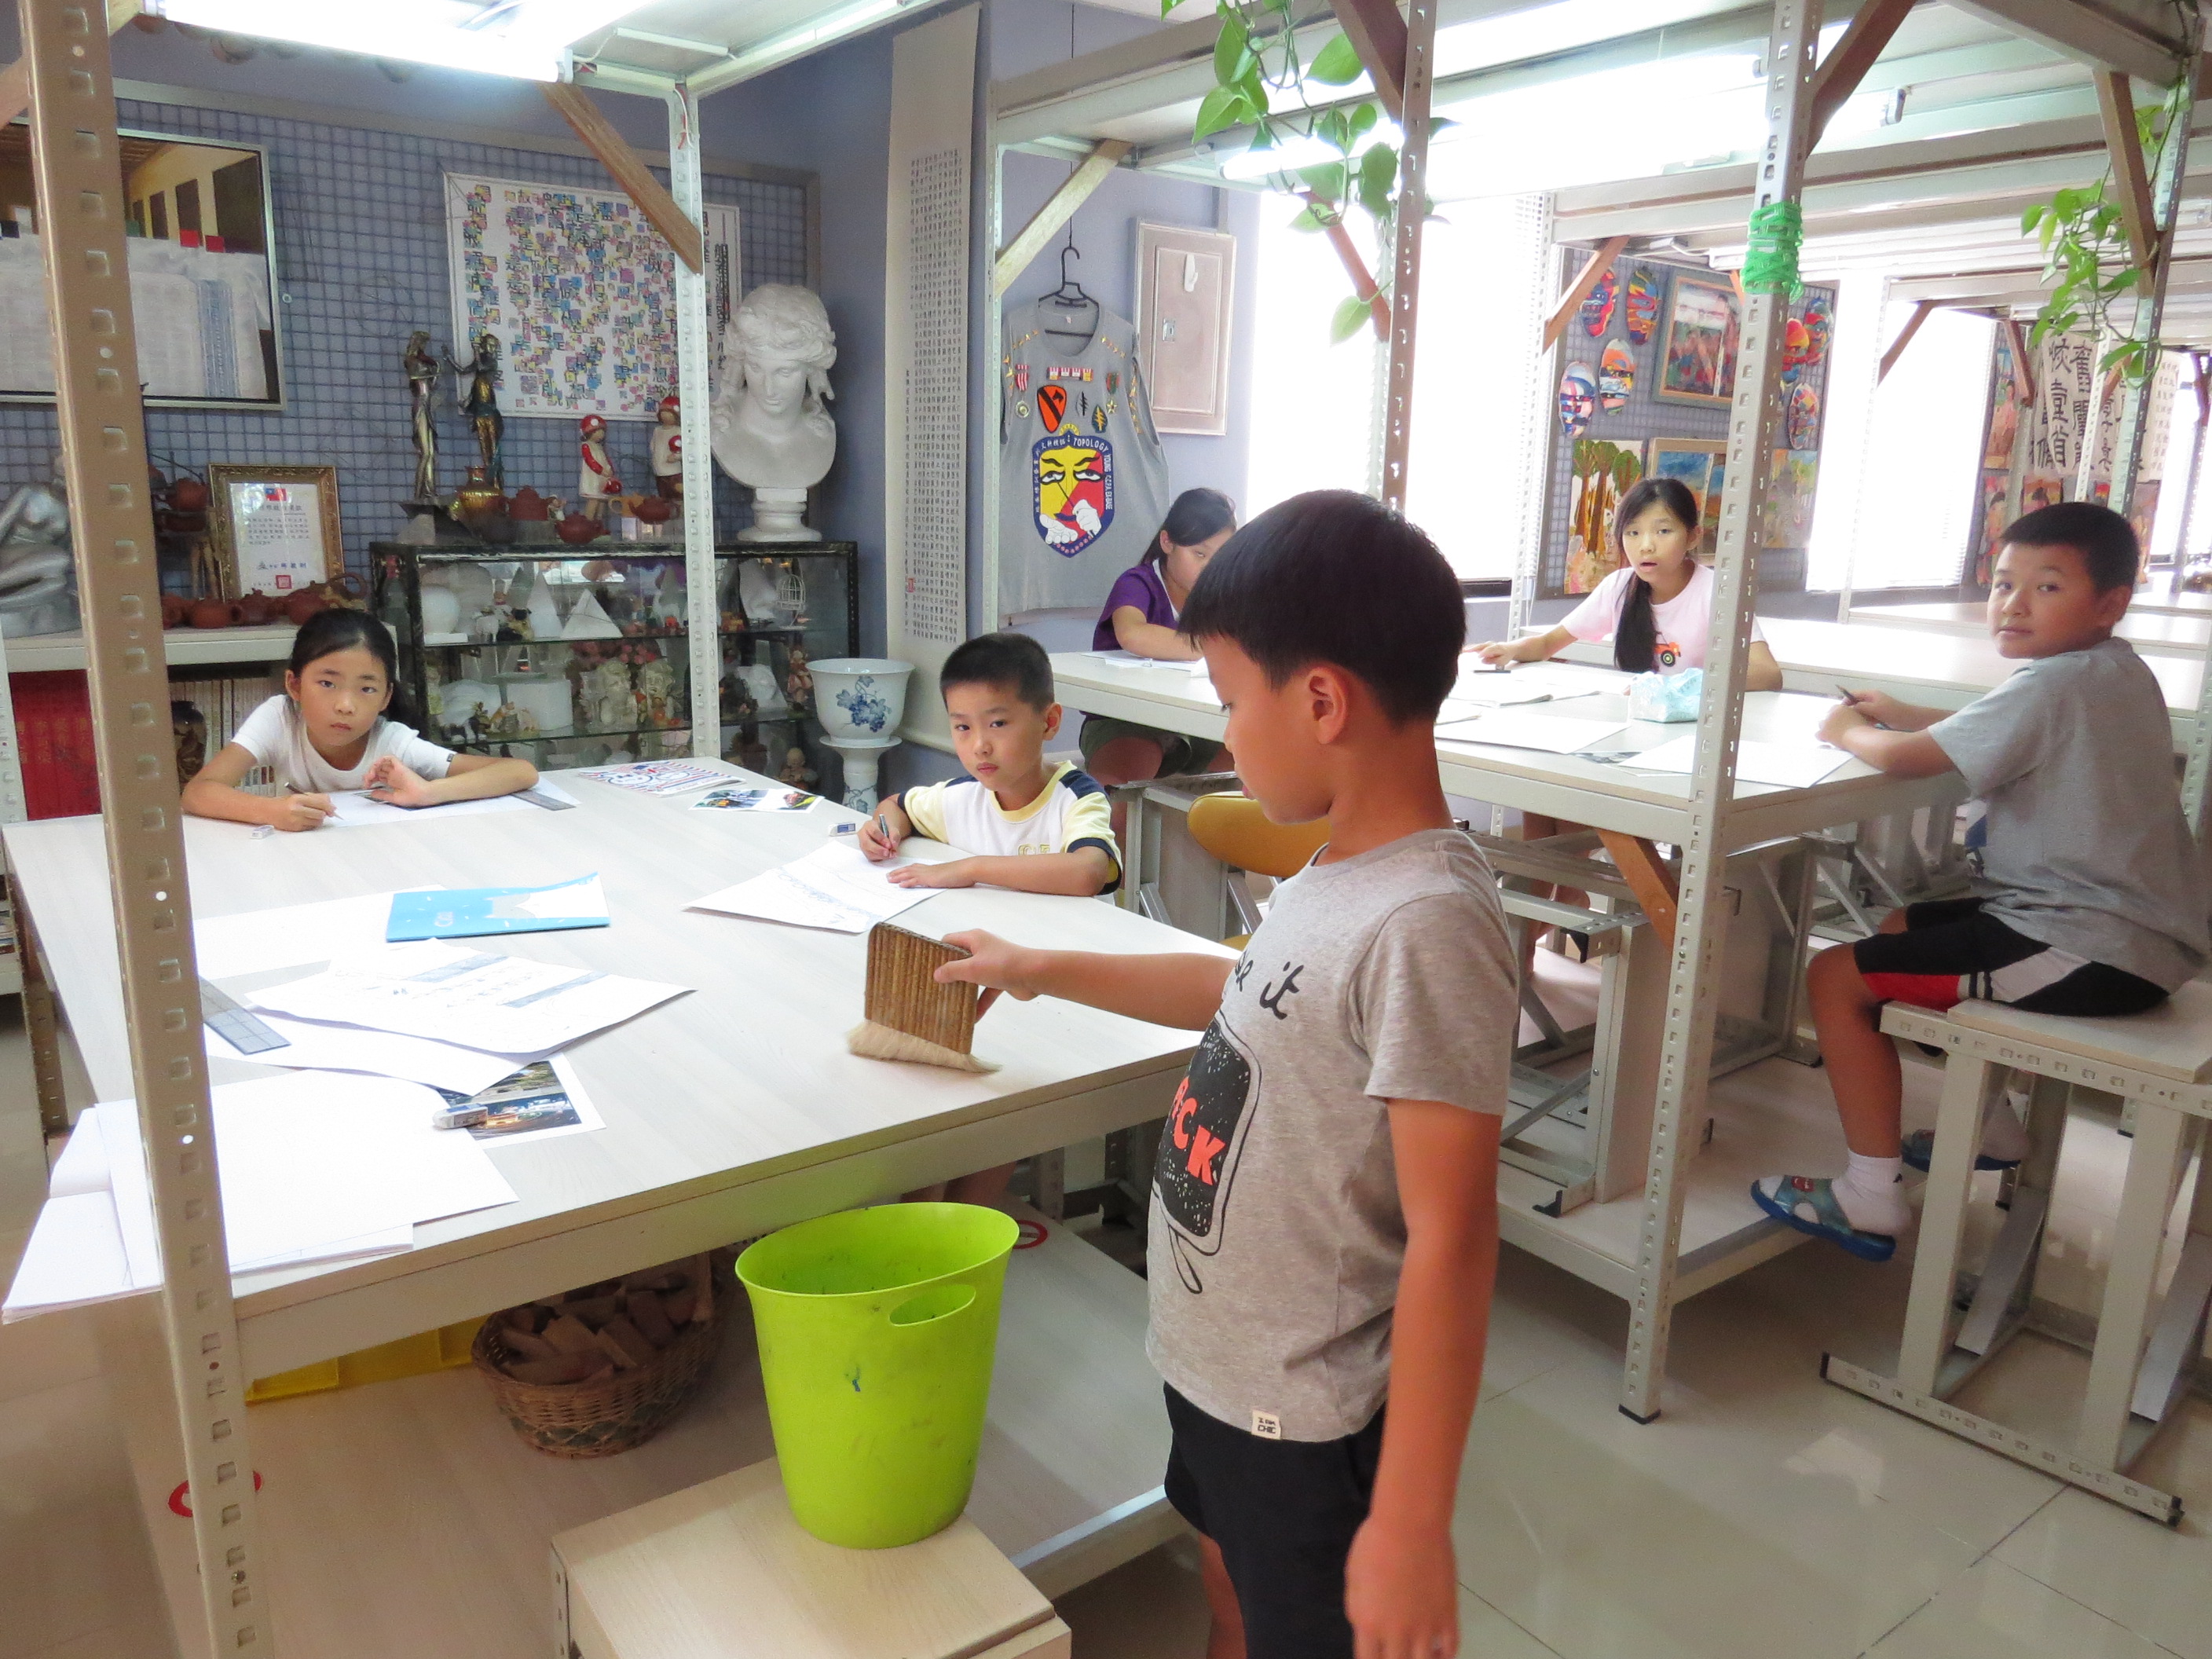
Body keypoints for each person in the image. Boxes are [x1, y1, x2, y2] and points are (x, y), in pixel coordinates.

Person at [929, 491, 1514, 1659]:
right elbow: (1241, 991)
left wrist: (1411, 1524)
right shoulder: (1336, 869)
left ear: (1321, 702)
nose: (1228, 737)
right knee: (1228, 1583)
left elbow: (1454, 1239)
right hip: (1219, 1367)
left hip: (1304, 1410)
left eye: (1231, 702)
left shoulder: (1426, 924)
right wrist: (1037, 967)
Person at [1754, 503, 2210, 1260]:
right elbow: (2005, 724)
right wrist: (1907, 712)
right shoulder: (2112, 671)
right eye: (2002, 584)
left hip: (2084, 945)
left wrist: (1849, 731)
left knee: (1834, 977)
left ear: (2110, 603)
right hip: (2128, 934)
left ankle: (1870, 1195)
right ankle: (1993, 1125)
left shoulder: (2054, 685)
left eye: (2047, 586)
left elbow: (1909, 760)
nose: (2014, 604)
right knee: (1900, 926)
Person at [860, 629, 1121, 1206]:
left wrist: (971, 868)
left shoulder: (1075, 797)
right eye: (961, 727)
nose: (979, 746)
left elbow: (1088, 871)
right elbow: (898, 806)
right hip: (986, 983)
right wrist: (882, 830)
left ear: (1050, 722)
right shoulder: (963, 796)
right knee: (923, 1070)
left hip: (1060, 992)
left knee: (998, 1100)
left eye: (998, 723)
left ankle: (965, 1219)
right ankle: (925, 1218)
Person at [182, 609, 538, 833]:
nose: (346, 706)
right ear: (295, 685)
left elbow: (520, 772)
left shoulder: (392, 742)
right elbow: (197, 792)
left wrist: (428, 792)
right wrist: (270, 811)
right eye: (327, 683)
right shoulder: (280, 717)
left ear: (385, 698)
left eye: (367, 689)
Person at [1472, 476, 1782, 687]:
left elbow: (1768, 674)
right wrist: (1509, 649)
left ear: (1692, 537)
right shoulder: (1620, 586)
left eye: (1663, 531)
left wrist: (1684, 686)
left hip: (1699, 730)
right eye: (1633, 533)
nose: (1646, 546)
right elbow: (1547, 644)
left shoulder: (1716, 592)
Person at [1080, 487, 1240, 792]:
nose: (1210, 568)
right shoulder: (1138, 582)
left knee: (1260, 765)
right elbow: (1133, 634)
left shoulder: (1221, 595)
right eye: (1200, 554)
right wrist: (1212, 646)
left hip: (1197, 719)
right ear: (1167, 542)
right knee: (1117, 797)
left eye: (1221, 558)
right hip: (1127, 719)